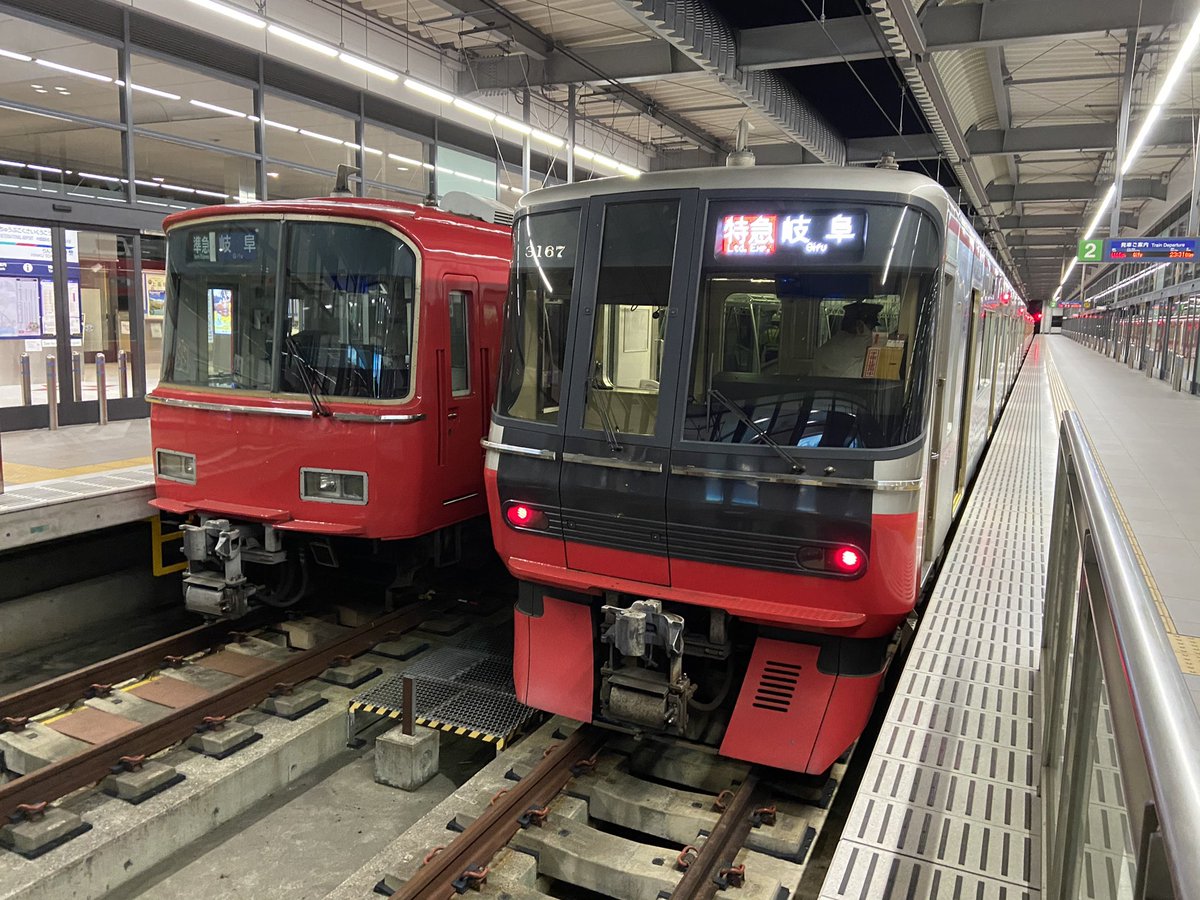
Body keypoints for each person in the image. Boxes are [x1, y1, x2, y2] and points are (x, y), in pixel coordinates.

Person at [812, 302, 882, 377]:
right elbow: (883, 342)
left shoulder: (838, 342)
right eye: (871, 327)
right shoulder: (852, 345)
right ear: (860, 326)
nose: (873, 331)